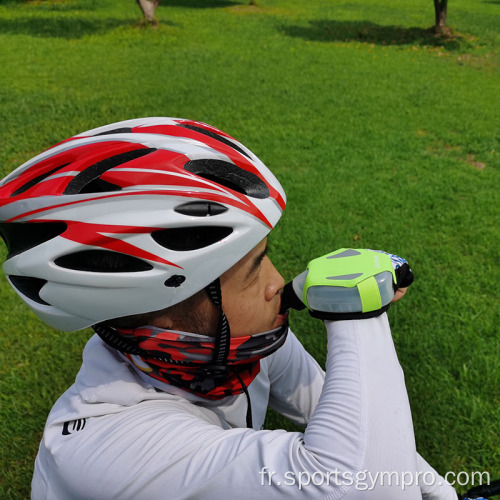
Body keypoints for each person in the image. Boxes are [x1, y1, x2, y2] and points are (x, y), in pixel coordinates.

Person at [0, 117, 462, 499]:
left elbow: (343, 416)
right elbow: (359, 486)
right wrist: (356, 315)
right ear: (162, 306)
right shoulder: (101, 451)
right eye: (254, 269)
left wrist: (439, 493)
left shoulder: (229, 342)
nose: (277, 283)